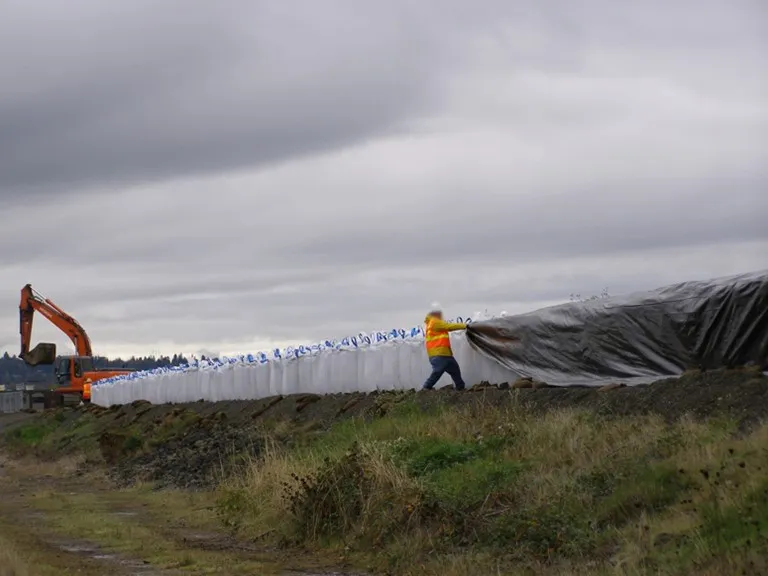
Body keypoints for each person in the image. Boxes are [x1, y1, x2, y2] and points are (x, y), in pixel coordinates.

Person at [422, 304, 467, 391]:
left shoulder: (432, 323)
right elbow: (449, 326)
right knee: (437, 371)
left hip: (445, 354)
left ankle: (460, 387)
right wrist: (465, 325)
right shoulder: (434, 322)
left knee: (455, 370)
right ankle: (426, 387)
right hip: (438, 354)